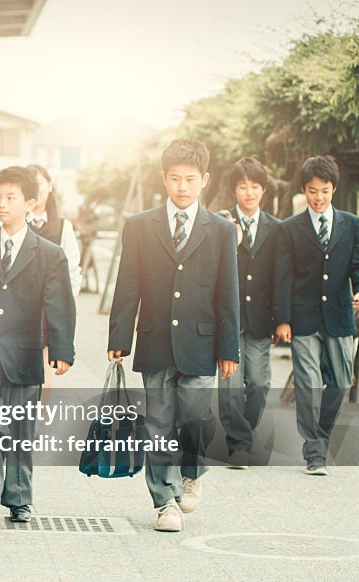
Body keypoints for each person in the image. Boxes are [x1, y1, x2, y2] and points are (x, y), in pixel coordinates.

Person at [107, 139, 240, 532]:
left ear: (205, 180)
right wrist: (119, 336)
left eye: (191, 179)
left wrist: (228, 347)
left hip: (202, 342)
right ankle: (165, 503)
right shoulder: (140, 225)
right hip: (155, 340)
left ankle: (192, 473)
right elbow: (127, 283)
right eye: (176, 178)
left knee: (198, 416)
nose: (183, 186)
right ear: (164, 178)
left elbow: (227, 293)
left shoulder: (220, 230)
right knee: (159, 422)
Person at [0, 166, 75, 525]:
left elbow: (59, 304)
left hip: (25, 351)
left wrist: (61, 350)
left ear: (30, 203)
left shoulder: (49, 254)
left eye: (10, 197)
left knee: (22, 425)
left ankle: (20, 497)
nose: (1, 204)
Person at [274, 155, 359, 476]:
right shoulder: (289, 229)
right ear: (304, 190)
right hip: (302, 318)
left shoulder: (353, 225)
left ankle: (320, 436)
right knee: (307, 381)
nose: (318, 198)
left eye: (325, 191)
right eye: (313, 191)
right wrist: (282, 319)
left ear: (334, 189)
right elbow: (282, 276)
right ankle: (314, 451)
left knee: (340, 381)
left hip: (340, 315)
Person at [217, 157, 282, 468]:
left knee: (258, 383)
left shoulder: (277, 229)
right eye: (243, 186)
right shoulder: (221, 224)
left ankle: (245, 433)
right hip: (228, 319)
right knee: (230, 386)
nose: (249, 192)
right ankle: (239, 444)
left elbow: (281, 277)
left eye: (255, 186)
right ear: (234, 190)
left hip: (260, 320)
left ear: (263, 189)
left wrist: (281, 319)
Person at [26, 165, 82, 298]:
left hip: (51, 301)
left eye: (39, 184)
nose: (35, 189)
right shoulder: (10, 224)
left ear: (50, 186)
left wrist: (69, 301)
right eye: (29, 184)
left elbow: (72, 270)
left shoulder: (64, 227)